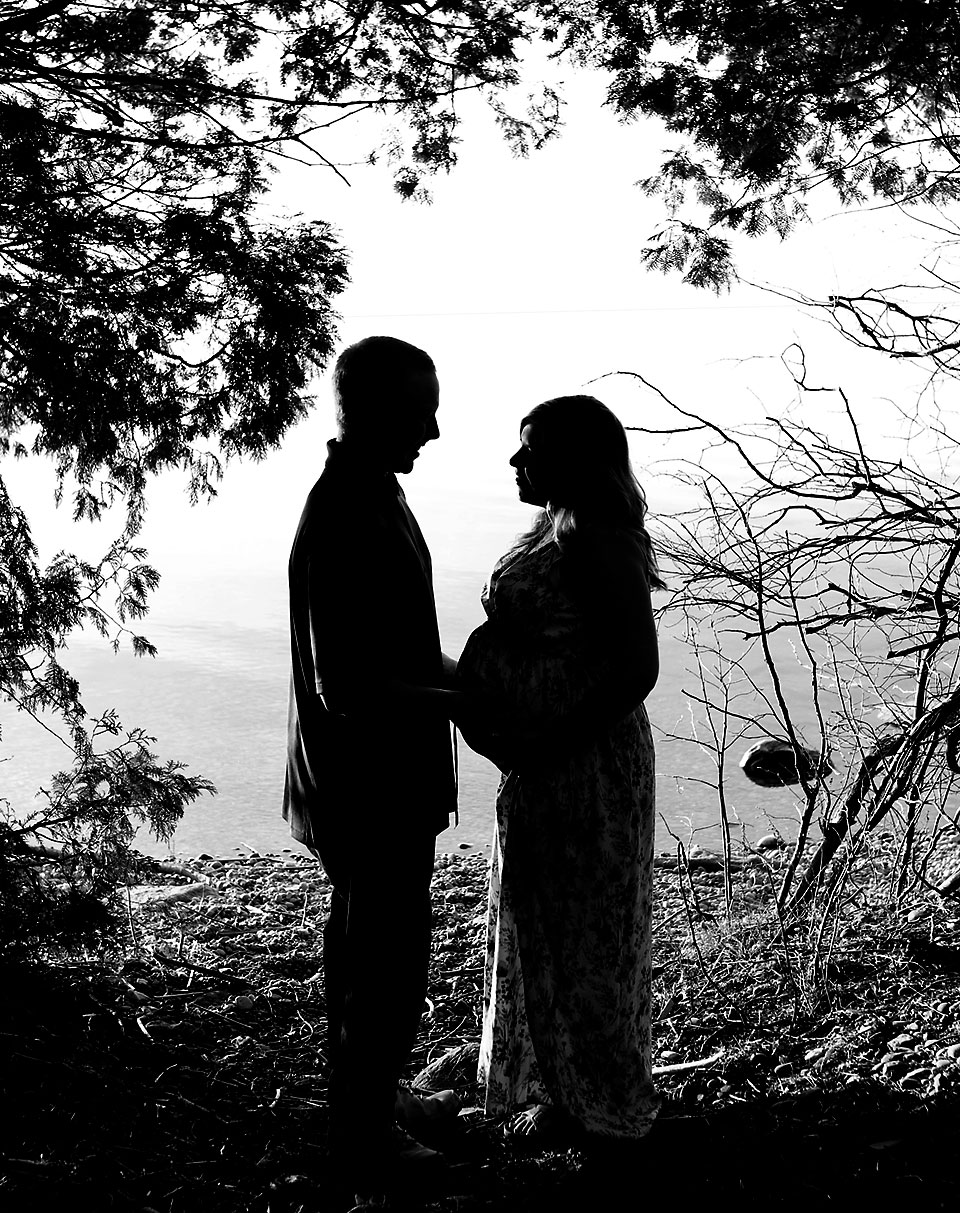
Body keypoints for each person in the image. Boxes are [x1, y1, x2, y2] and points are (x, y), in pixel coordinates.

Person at [283, 335, 473, 1179]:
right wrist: (471, 703)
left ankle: (376, 1096)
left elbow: (403, 647)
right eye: (420, 408)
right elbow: (348, 686)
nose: (434, 428)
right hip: (367, 786)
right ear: (371, 408)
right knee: (380, 961)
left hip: (384, 781)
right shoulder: (347, 512)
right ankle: (364, 1135)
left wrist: (480, 675)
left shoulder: (376, 491)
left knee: (381, 949)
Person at [456, 394, 664, 1143]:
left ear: (574, 461)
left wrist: (551, 740)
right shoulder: (553, 525)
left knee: (589, 932)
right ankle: (555, 1083)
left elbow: (636, 665)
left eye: (532, 450)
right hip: (549, 760)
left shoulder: (596, 534)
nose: (517, 461)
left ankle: (595, 1101)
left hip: (587, 764)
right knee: (546, 922)